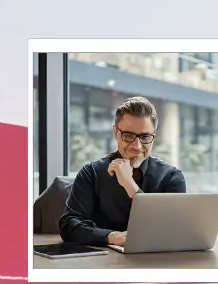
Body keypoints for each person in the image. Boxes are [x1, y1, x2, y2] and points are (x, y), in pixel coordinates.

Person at [60, 96, 187, 246]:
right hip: (102, 262)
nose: (137, 146)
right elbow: (68, 225)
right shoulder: (91, 172)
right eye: (128, 135)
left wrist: (130, 185)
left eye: (145, 136)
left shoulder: (172, 177)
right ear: (115, 132)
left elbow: (173, 230)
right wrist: (111, 237)